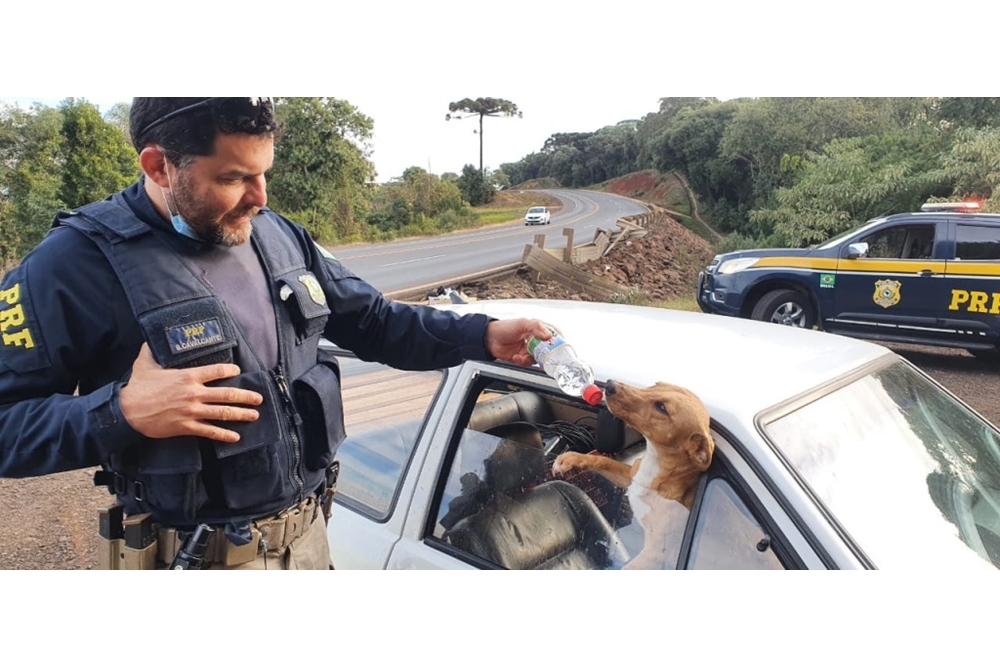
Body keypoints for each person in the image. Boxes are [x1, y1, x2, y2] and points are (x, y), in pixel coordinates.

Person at [0, 97, 551, 570]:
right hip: (192, 561)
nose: (260, 196)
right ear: (160, 166)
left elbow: (373, 322)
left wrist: (484, 336)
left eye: (263, 173)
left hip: (309, 541)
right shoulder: (70, 266)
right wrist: (122, 413)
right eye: (233, 178)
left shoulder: (277, 235)